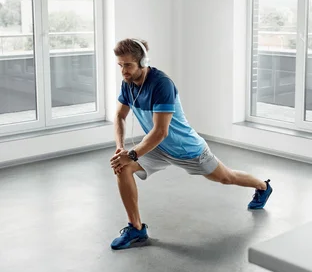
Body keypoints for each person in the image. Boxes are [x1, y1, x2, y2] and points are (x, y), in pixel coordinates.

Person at [110, 38, 273, 250]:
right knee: (121, 166)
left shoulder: (161, 84)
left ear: (142, 62)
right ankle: (136, 228)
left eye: (128, 65)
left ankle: (263, 186)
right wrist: (120, 148)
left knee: (226, 178)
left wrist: (132, 154)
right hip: (157, 148)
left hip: (186, 149)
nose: (123, 71)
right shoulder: (128, 83)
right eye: (120, 65)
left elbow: (161, 131)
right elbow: (120, 116)